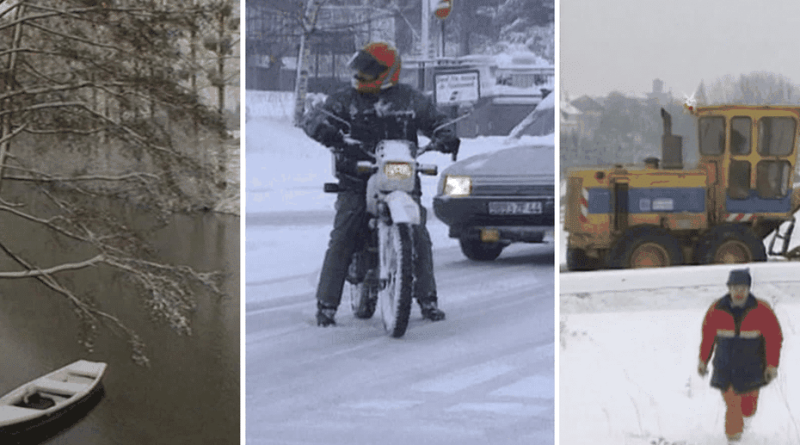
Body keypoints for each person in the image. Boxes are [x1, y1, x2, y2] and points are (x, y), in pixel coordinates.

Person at [302, 42, 460, 327]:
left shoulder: (411, 100)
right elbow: (314, 119)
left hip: (401, 178)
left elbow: (437, 121)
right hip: (356, 179)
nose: (361, 75)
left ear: (388, 73)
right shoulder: (344, 99)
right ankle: (326, 305)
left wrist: (445, 134)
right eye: (360, 68)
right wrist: (325, 131)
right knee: (344, 234)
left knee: (419, 234)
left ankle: (428, 300)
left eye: (369, 70)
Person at [697, 268, 783, 442]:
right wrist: (703, 360)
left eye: (743, 288)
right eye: (735, 287)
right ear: (728, 288)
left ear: (749, 288)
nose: (739, 292)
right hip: (725, 368)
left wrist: (772, 365)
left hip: (753, 368)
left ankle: (745, 424)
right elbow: (708, 337)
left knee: (749, 407)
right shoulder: (716, 309)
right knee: (733, 405)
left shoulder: (762, 309)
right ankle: (734, 438)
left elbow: (774, 338)